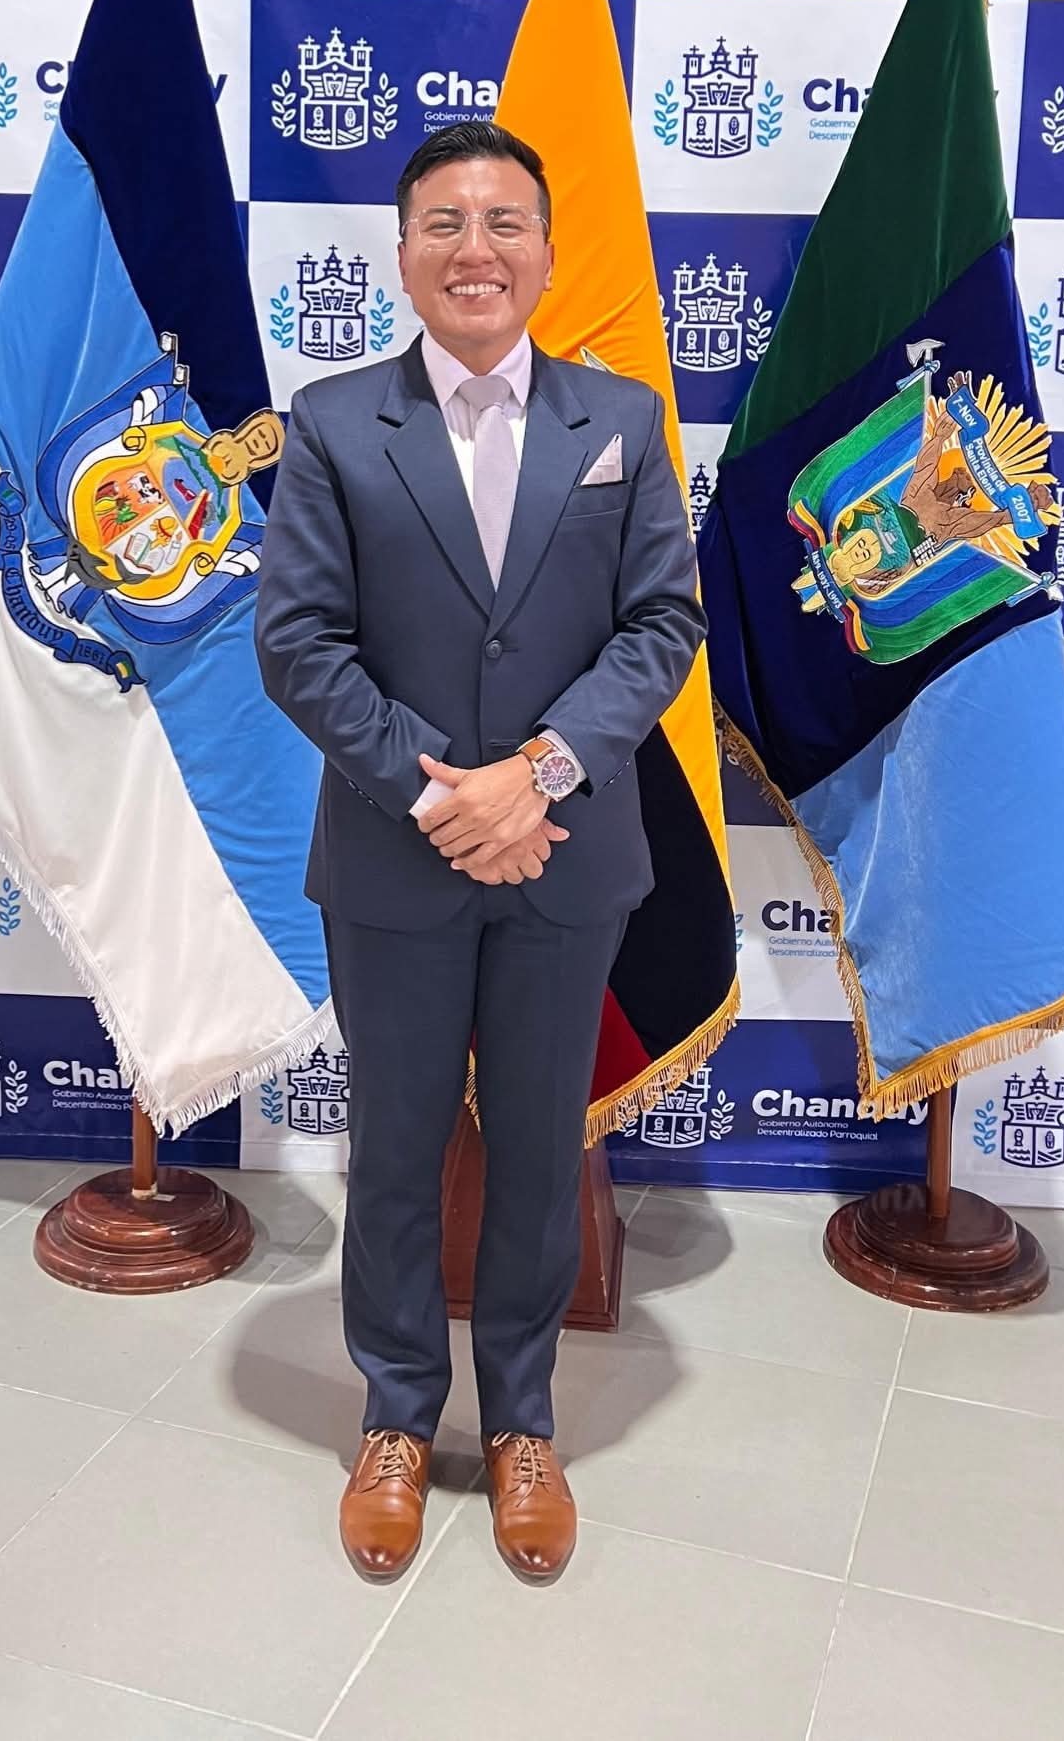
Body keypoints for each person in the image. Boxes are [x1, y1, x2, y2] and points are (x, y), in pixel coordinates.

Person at [255, 121, 705, 1584]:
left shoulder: (621, 419)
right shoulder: (332, 425)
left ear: (546, 252)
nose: (475, 249)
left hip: (566, 855)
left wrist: (538, 775)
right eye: (443, 223)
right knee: (392, 1150)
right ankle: (396, 1413)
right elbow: (298, 643)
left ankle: (521, 1421)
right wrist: (443, 796)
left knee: (533, 1146)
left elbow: (663, 624)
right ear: (403, 257)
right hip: (396, 862)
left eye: (505, 221)